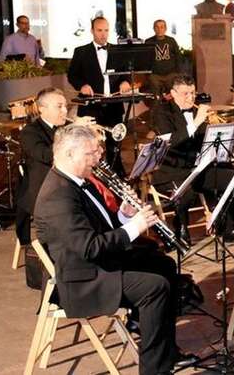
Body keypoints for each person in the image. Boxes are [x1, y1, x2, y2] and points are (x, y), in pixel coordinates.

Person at [33, 125, 198, 375]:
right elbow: (90, 247)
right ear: (69, 154)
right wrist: (136, 227)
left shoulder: (78, 182)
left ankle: (166, 352)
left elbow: (101, 226)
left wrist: (124, 215)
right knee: (154, 288)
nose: (98, 158)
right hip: (82, 279)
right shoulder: (58, 195)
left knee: (163, 265)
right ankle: (155, 370)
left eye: (97, 151)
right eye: (91, 153)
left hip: (97, 264)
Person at [150, 74, 234, 244]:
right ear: (173, 93)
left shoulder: (198, 109)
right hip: (173, 169)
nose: (190, 98)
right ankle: (180, 229)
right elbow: (171, 143)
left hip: (198, 167)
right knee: (185, 192)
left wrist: (217, 133)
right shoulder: (161, 111)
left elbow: (206, 141)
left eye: (193, 93)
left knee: (233, 178)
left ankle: (228, 227)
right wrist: (196, 123)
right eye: (185, 94)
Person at [67, 17, 132, 168]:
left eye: (106, 30)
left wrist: (125, 81)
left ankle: (117, 173)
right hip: (91, 105)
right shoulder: (81, 52)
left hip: (113, 105)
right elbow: (72, 75)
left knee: (114, 143)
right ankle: (91, 173)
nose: (103, 34)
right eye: (99, 30)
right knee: (90, 143)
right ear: (92, 31)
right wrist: (82, 85)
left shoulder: (117, 51)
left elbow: (126, 72)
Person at [14, 88, 69, 246]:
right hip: (42, 188)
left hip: (64, 182)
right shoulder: (29, 132)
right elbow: (46, 155)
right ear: (42, 109)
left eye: (65, 106)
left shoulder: (63, 128)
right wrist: (73, 136)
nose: (65, 111)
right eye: (59, 106)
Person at [144, 19, 182, 97]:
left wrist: (178, 72)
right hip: (155, 75)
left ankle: (174, 108)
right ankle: (156, 107)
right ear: (154, 28)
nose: (159, 29)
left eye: (162, 27)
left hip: (171, 74)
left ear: (165, 29)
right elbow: (145, 59)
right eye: (157, 27)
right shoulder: (149, 42)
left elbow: (178, 57)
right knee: (155, 95)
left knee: (172, 94)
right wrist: (148, 74)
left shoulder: (171, 41)